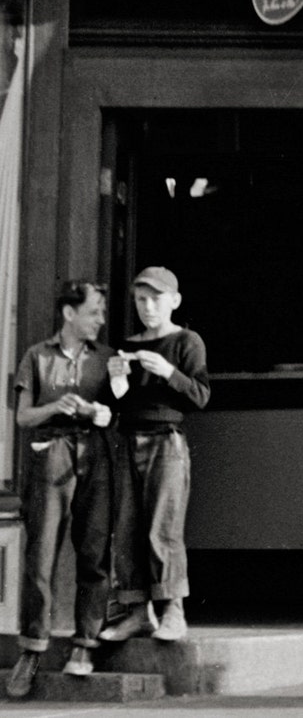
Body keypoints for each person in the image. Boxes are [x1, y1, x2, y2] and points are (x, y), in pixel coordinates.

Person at [6, 280, 114, 698]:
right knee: (40, 555)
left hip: (94, 454)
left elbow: (116, 409)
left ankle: (85, 644)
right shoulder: (37, 355)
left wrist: (100, 410)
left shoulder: (106, 359)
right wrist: (56, 406)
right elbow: (23, 417)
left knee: (94, 552)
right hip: (50, 453)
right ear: (69, 314)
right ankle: (33, 648)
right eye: (94, 311)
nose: (100, 320)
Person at [99, 266, 209, 644]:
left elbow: (199, 396)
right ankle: (136, 612)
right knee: (127, 527)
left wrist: (168, 371)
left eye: (156, 299)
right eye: (141, 300)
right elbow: (115, 403)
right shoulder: (127, 345)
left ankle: (173, 610)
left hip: (166, 440)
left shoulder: (186, 341)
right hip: (127, 439)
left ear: (174, 301)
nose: (147, 307)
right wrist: (116, 381)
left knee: (163, 526)